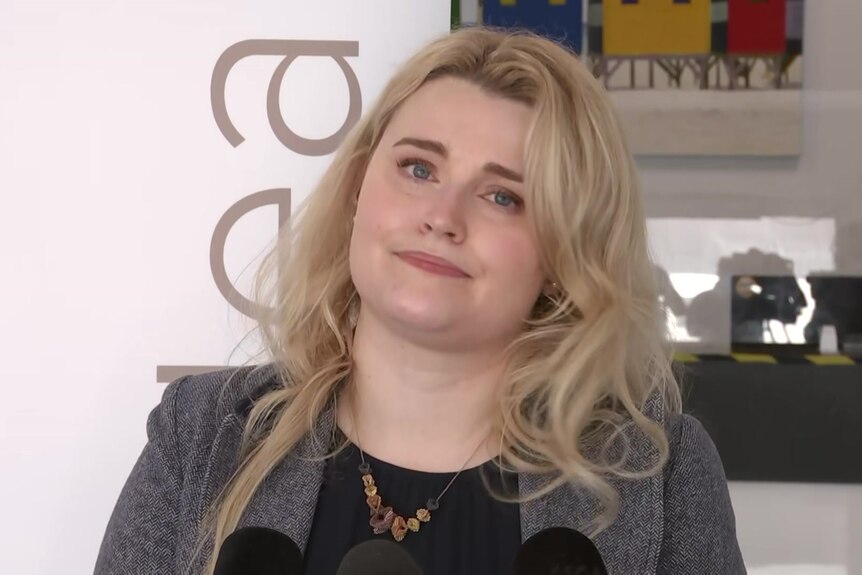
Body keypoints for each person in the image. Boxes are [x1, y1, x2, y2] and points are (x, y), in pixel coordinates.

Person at [94, 27, 745, 574]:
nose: (442, 215)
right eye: (418, 169)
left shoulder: (660, 471)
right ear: (357, 190)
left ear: (560, 258)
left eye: (502, 196)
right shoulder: (201, 433)